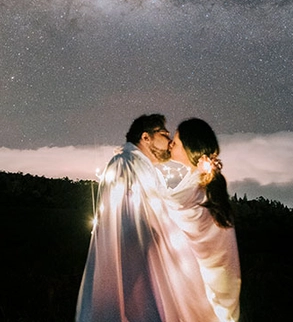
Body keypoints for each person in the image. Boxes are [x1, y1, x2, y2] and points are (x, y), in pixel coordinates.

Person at [75, 114, 216, 322]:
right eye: (163, 134)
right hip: (135, 269)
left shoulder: (143, 168)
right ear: (146, 137)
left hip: (147, 264)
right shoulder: (124, 164)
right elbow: (130, 220)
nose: (169, 142)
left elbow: (163, 208)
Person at [167, 118, 241, 322]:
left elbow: (163, 208)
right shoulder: (202, 183)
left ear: (190, 147)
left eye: (176, 140)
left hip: (202, 288)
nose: (171, 143)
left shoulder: (197, 187)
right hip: (219, 288)